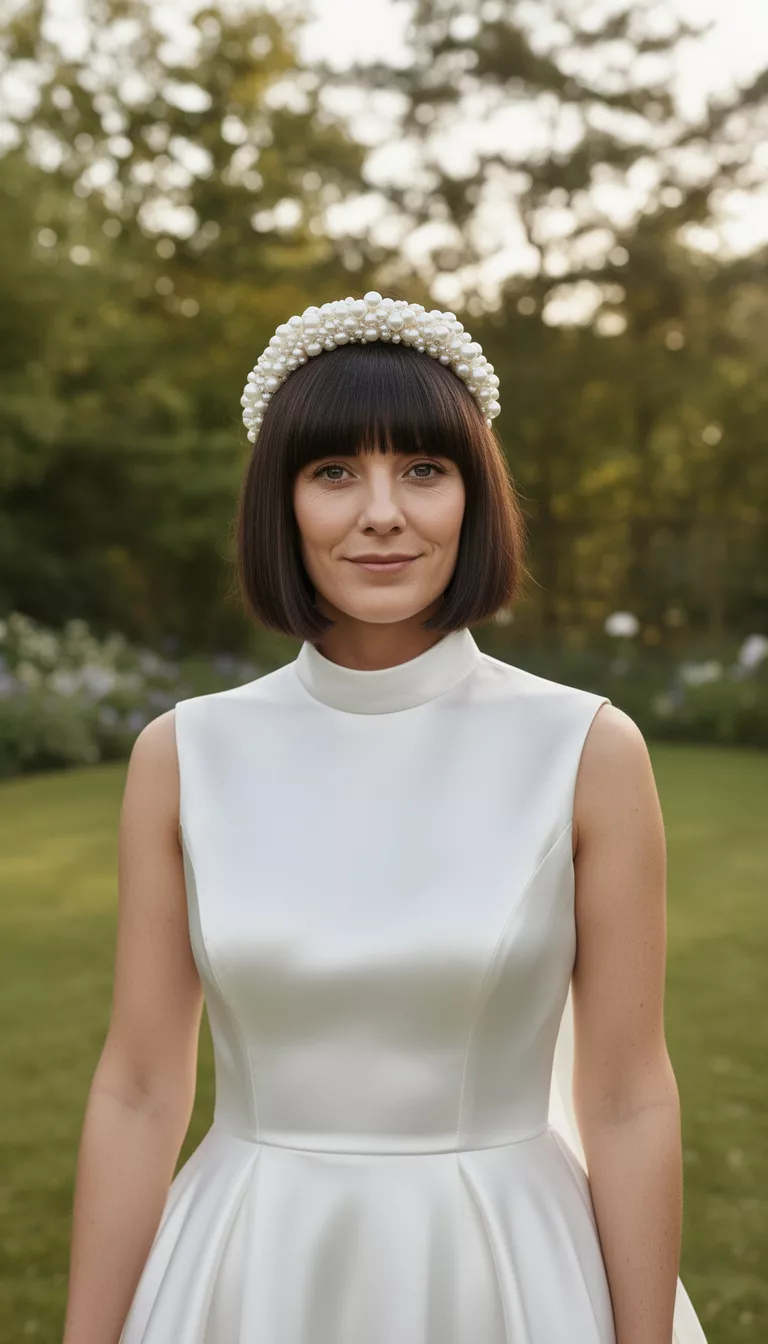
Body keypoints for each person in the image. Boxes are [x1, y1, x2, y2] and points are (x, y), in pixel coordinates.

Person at [63, 294, 708, 1343]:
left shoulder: (587, 750)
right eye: (333, 474)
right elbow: (137, 1088)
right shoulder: (182, 756)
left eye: (422, 469)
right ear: (282, 502)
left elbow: (631, 1096)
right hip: (246, 1269)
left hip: (505, 1269)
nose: (381, 513)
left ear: (473, 496)